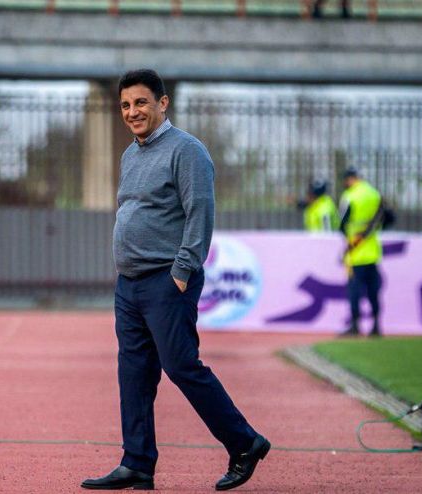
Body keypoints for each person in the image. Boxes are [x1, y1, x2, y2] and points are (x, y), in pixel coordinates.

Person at [81, 69, 269, 492]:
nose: (132, 112)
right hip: (129, 284)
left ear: (162, 103)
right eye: (125, 105)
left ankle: (245, 443)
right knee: (134, 373)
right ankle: (137, 463)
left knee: (182, 366)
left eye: (141, 102)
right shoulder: (130, 155)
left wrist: (181, 273)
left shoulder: (187, 150)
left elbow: (200, 213)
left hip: (167, 282)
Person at [338, 167, 384, 337]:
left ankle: (355, 325)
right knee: (373, 291)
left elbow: (342, 222)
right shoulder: (374, 193)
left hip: (355, 253)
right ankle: (376, 325)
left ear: (350, 179)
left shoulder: (349, 196)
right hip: (372, 252)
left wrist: (351, 240)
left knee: (354, 291)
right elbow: (383, 216)